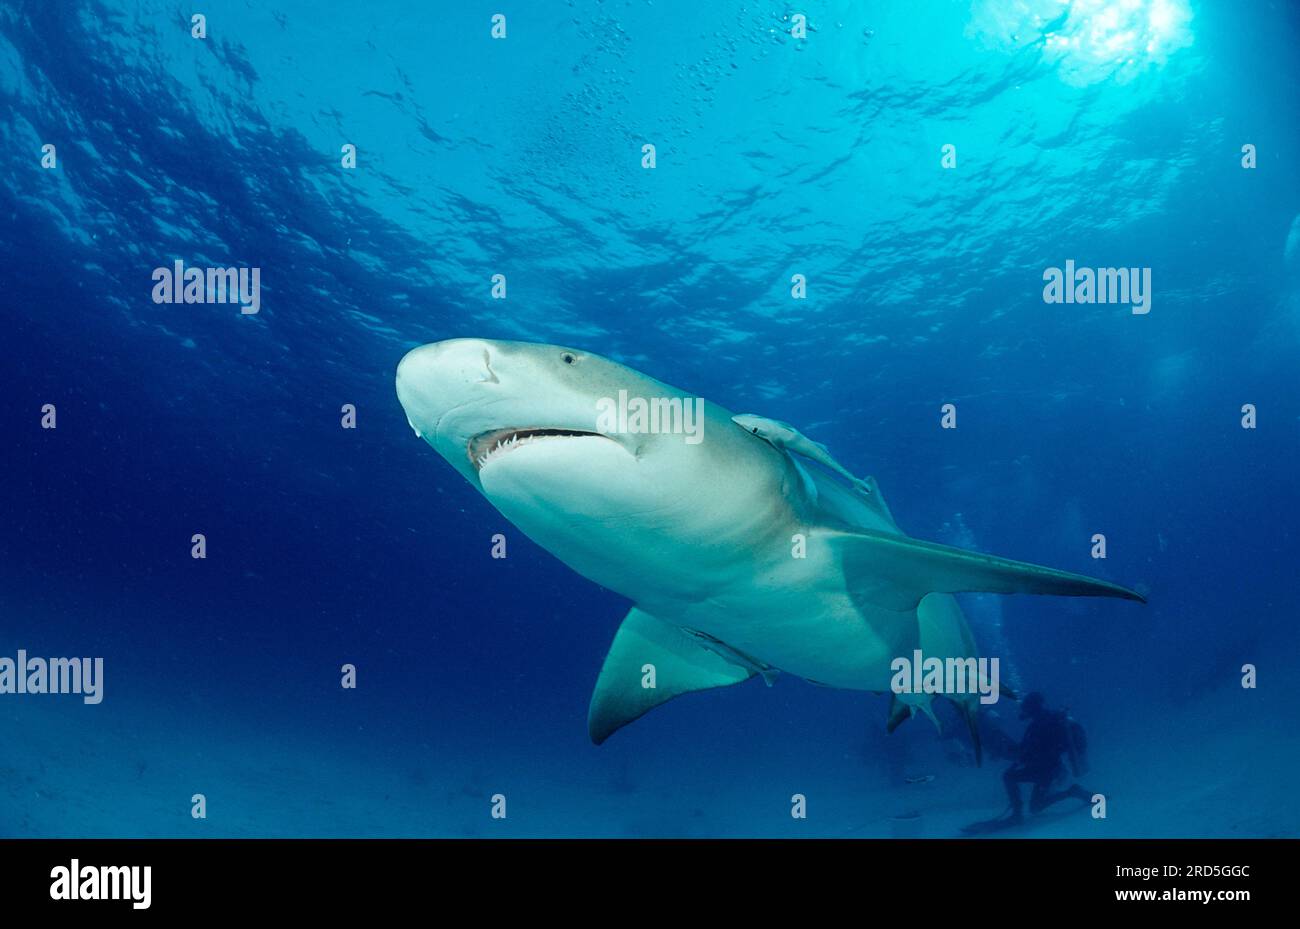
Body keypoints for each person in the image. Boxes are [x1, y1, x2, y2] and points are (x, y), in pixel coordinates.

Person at [1000, 692, 1091, 823]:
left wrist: (1012, 753)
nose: (1023, 711)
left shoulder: (1039, 725)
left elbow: (1031, 750)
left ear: (1031, 708)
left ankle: (1017, 814)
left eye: (1025, 707)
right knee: (1035, 807)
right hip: (1051, 769)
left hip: (1045, 771)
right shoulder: (1052, 719)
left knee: (1008, 777)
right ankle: (1072, 792)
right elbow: (1036, 748)